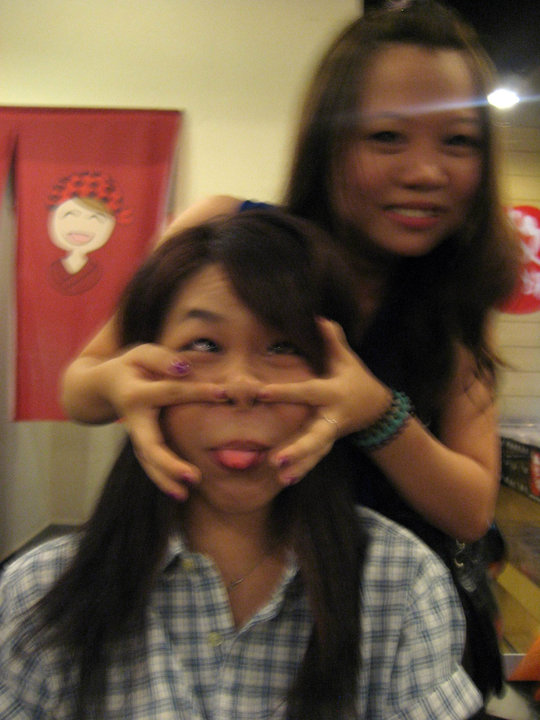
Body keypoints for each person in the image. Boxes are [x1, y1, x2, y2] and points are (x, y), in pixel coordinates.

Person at [60, 0, 521, 702]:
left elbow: (470, 509)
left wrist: (376, 413)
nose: (426, 171)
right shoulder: (229, 234)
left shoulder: (451, 299)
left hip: (380, 618)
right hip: (210, 594)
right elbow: (81, 385)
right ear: (327, 140)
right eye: (387, 136)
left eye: (458, 142)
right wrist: (123, 384)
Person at [0, 211, 482, 719]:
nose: (241, 386)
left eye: (283, 347)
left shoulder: (400, 584)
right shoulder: (36, 590)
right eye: (204, 345)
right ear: (139, 376)